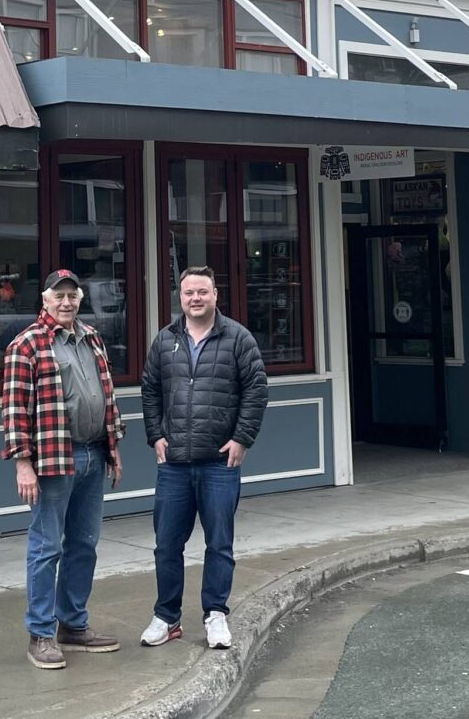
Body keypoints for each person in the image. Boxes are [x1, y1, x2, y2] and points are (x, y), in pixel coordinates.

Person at [139, 265, 268, 652]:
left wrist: (242, 438)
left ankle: (215, 615)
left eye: (202, 292)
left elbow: (256, 390)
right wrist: (155, 436)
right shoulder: (165, 340)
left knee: (219, 544)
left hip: (218, 463)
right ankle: (167, 617)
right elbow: (149, 390)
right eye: (188, 292)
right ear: (180, 297)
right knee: (166, 546)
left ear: (215, 295)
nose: (195, 298)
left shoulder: (237, 338)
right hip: (174, 463)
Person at [1, 268, 124, 671]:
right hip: (54, 458)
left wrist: (114, 449)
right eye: (59, 295)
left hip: (92, 453)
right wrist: (23, 463)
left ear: (80, 299)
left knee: (84, 544)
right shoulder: (28, 344)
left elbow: (107, 396)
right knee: (46, 547)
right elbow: (15, 409)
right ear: (45, 300)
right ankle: (41, 633)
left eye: (73, 295)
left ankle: (73, 624)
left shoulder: (92, 339)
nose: (67, 302)